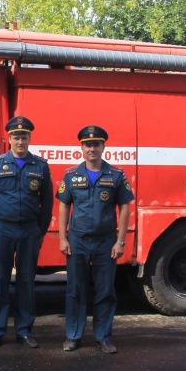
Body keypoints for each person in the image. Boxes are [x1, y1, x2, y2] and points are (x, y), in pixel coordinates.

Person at [57, 125, 134, 354]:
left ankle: (103, 337)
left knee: (105, 291)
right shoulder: (71, 175)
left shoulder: (116, 175)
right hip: (78, 240)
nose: (92, 148)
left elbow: (124, 207)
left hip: (105, 242)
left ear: (103, 147)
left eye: (96, 144)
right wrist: (63, 238)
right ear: (81, 148)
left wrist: (120, 241)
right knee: (75, 290)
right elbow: (63, 206)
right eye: (88, 145)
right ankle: (73, 336)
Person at [0, 116, 54, 349]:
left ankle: (24, 330)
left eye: (24, 137)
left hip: (29, 230)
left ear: (30, 138)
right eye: (16, 137)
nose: (20, 141)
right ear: (9, 139)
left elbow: (48, 202)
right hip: (2, 228)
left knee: (26, 282)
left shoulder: (40, 166)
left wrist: (41, 231)